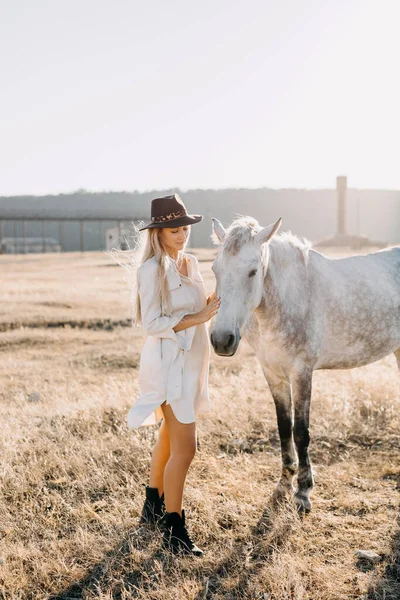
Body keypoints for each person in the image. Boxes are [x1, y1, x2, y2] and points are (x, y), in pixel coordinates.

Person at [127, 193, 221, 556]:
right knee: (186, 449)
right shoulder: (150, 270)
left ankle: (151, 507)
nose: (182, 235)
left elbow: (196, 306)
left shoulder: (192, 262)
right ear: (158, 234)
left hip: (193, 365)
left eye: (184, 228)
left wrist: (211, 304)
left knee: (168, 436)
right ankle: (174, 530)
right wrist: (199, 318)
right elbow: (151, 323)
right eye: (174, 230)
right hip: (168, 367)